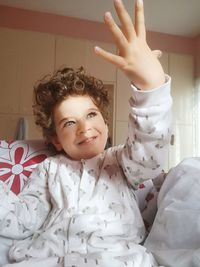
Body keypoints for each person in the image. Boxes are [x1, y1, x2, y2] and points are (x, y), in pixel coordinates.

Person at [0, 0, 172, 266]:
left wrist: (151, 88)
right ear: (55, 139)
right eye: (69, 123)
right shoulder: (48, 169)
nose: (84, 127)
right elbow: (21, 220)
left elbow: (149, 156)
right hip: (49, 257)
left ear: (104, 120)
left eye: (91, 115)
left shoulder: (120, 161)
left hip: (116, 257)